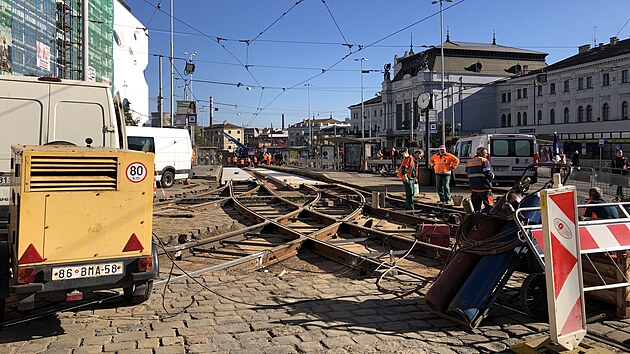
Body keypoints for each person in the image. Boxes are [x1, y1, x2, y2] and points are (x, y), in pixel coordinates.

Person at [466, 147, 495, 212]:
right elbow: (488, 173)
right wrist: (492, 175)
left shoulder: (469, 161)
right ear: (482, 153)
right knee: (489, 207)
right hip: (485, 188)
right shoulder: (484, 161)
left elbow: (467, 173)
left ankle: (477, 220)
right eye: (486, 153)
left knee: (476, 209)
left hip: (474, 189)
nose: (487, 155)